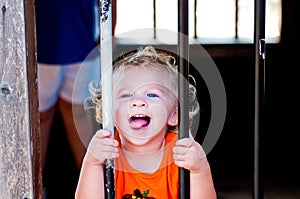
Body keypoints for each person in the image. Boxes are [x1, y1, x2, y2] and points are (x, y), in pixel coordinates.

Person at [75, 46, 217, 199]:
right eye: (126, 95)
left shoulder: (180, 152)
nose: (137, 101)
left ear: (174, 115)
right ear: (109, 113)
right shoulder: (106, 151)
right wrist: (92, 162)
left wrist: (199, 170)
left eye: (152, 94)